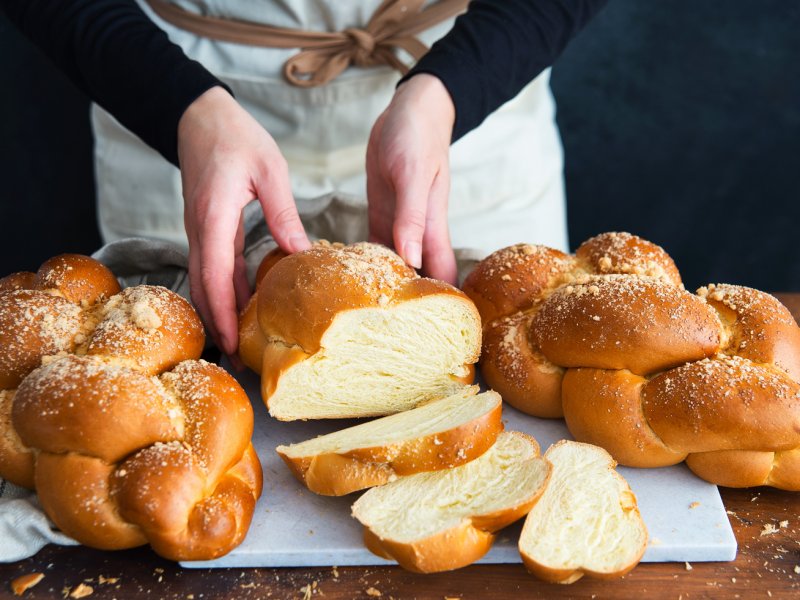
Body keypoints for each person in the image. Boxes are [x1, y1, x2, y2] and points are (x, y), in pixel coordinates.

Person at [1, 0, 608, 356]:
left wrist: (449, 91)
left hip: (466, 97)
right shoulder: (175, 105)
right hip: (172, 88)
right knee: (191, 351)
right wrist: (180, 107)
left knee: (502, 360)